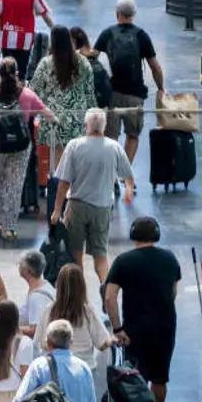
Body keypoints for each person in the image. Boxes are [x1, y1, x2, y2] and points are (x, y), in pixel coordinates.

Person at [104, 216, 180, 402]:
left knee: (136, 377)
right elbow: (173, 293)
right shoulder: (170, 259)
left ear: (133, 235)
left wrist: (117, 328)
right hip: (165, 327)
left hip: (134, 329)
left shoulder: (123, 261)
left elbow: (109, 297)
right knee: (160, 379)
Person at [50, 110, 135, 284]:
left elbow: (64, 182)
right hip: (102, 208)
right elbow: (128, 175)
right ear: (104, 126)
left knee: (75, 257)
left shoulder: (74, 145)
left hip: (77, 207)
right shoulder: (114, 147)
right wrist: (128, 189)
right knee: (101, 258)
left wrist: (57, 209)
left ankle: (78, 295)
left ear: (85, 125)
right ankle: (106, 290)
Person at [0, 57, 54, 241]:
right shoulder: (27, 95)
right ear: (17, 73)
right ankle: (10, 228)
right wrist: (56, 120)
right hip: (20, 148)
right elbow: (47, 114)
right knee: (14, 186)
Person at [94, 0, 165, 164]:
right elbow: (155, 67)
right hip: (135, 94)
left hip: (112, 94)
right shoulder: (141, 35)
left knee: (111, 137)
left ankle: (111, 172)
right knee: (133, 135)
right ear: (134, 14)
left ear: (117, 14)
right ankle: (125, 171)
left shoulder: (107, 33)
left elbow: (93, 58)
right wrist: (161, 88)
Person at [29, 25, 97, 169]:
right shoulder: (83, 62)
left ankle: (59, 181)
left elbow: (33, 91)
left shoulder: (46, 63)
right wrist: (94, 119)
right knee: (76, 159)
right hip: (77, 120)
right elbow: (89, 93)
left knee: (58, 161)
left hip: (53, 120)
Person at [33, 263, 114, 370]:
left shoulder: (50, 310)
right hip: (84, 367)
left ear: (59, 285)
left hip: (56, 368)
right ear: (82, 286)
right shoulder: (87, 310)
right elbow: (102, 343)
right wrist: (114, 339)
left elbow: (38, 342)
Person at [17, 250, 55, 338]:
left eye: (20, 264)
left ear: (27, 270)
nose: (18, 266)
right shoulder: (45, 284)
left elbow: (34, 330)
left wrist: (10, 328)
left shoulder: (37, 296)